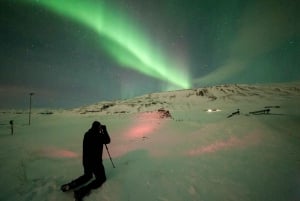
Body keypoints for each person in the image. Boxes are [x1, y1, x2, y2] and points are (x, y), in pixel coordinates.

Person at [61, 121, 111, 200]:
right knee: (101, 178)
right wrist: (104, 130)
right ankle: (81, 191)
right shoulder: (99, 135)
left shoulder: (87, 134)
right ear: (98, 128)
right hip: (96, 162)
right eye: (99, 127)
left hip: (86, 160)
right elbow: (108, 140)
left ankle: (70, 185)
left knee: (88, 176)